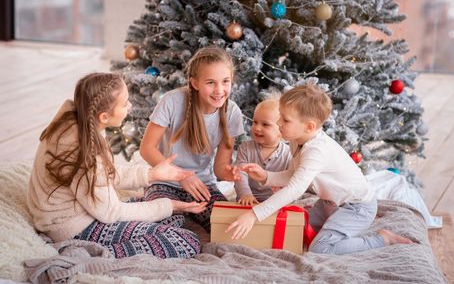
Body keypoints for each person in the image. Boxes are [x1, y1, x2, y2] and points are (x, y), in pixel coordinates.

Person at [27, 73, 206, 259]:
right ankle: (96, 254)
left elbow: (104, 175)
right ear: (104, 116)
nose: (130, 106)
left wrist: (152, 174)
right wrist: (170, 204)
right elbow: (111, 211)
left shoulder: (84, 121)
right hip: (74, 227)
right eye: (125, 103)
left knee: (174, 217)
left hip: (86, 211)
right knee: (188, 242)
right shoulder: (83, 150)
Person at [226, 84, 413, 254]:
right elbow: (293, 175)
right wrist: (265, 176)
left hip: (356, 206)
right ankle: (335, 229)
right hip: (329, 203)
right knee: (296, 231)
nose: (279, 124)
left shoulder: (316, 151)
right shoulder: (296, 140)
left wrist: (253, 215)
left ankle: (382, 239)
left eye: (285, 119)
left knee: (320, 248)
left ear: (309, 127)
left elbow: (294, 189)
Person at [140, 46, 244, 232]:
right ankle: (144, 201)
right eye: (210, 82)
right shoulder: (172, 101)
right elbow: (147, 148)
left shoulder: (232, 112)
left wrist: (232, 174)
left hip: (203, 185)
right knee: (166, 229)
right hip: (165, 182)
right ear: (195, 83)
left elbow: (220, 169)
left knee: (226, 228)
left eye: (225, 81)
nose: (219, 90)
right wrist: (182, 176)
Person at [234, 98, 291, 206]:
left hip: (275, 202)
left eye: (265, 124)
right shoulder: (245, 148)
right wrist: (245, 194)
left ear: (281, 130)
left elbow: (290, 180)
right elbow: (240, 175)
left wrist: (281, 195)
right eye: (255, 122)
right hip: (248, 200)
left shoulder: (288, 154)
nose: (257, 128)